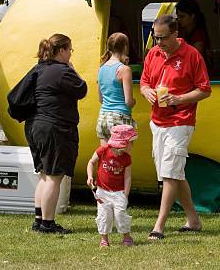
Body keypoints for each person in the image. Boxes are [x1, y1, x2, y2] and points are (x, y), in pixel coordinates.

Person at [140, 14, 211, 240]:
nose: (158, 42)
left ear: (176, 34)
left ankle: (159, 226)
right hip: (157, 121)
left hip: (181, 120)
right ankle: (194, 220)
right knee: (173, 173)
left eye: (162, 38)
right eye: (155, 37)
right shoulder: (153, 53)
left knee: (169, 174)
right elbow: (144, 82)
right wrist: (147, 92)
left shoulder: (192, 55)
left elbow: (205, 89)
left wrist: (178, 99)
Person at [24, 33, 87, 234]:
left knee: (44, 175)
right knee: (54, 176)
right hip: (54, 128)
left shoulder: (39, 68)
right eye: (70, 50)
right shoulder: (62, 71)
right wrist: (73, 69)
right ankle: (48, 223)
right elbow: (81, 89)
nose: (70, 54)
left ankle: (39, 220)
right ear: (61, 51)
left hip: (35, 126)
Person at [86, 124, 138, 247]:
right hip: (102, 191)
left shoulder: (127, 158)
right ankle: (104, 239)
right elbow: (91, 162)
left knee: (121, 214)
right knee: (104, 215)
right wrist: (89, 176)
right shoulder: (103, 150)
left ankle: (127, 237)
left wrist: (126, 193)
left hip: (119, 192)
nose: (132, 146)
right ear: (122, 143)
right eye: (131, 142)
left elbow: (127, 176)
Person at [96, 32, 137, 146]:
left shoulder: (101, 68)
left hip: (103, 118)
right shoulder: (124, 69)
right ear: (125, 47)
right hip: (120, 118)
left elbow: (101, 99)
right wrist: (135, 101)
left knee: (106, 159)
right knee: (123, 160)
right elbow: (128, 102)